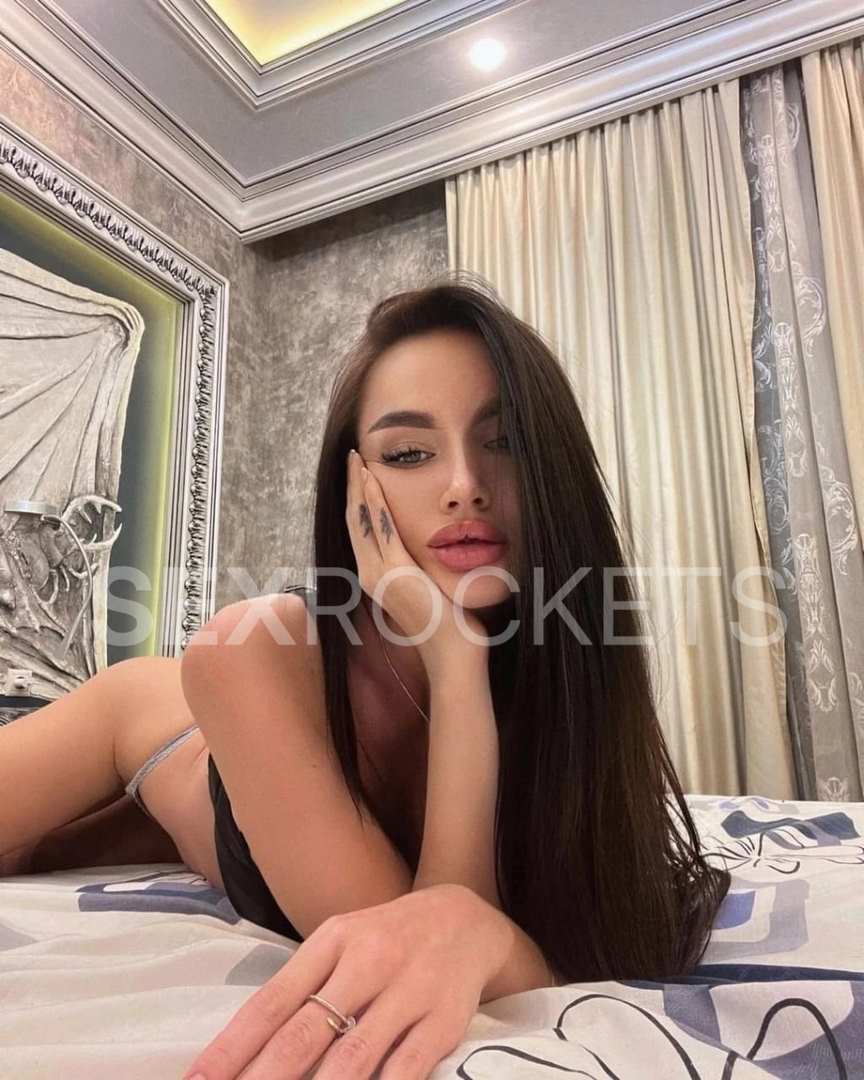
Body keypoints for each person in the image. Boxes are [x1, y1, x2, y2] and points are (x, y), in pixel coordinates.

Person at [0, 273, 731, 1079]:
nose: (464, 486)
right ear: (355, 489)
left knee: (47, 854)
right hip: (150, 730)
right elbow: (418, 944)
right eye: (410, 453)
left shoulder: (568, 672)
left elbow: (471, 943)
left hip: (249, 794)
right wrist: (453, 663)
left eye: (506, 442)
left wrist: (461, 668)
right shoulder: (251, 649)